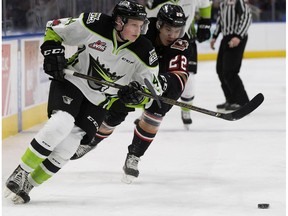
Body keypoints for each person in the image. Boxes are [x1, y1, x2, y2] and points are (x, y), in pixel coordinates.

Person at [4, 0, 161, 204]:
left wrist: (136, 96)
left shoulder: (144, 51)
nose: (138, 30)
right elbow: (54, 28)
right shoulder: (94, 23)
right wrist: (52, 50)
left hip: (100, 101)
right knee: (61, 123)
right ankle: (20, 171)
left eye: (141, 26)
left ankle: (29, 185)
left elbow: (153, 91)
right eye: (134, 24)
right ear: (119, 22)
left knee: (70, 145)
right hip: (73, 82)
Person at [71, 4, 192, 184]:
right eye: (168, 29)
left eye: (177, 30)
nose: (173, 35)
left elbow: (179, 77)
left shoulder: (181, 43)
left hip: (160, 85)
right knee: (114, 114)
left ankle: (134, 155)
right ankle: (92, 141)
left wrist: (163, 83)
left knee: (156, 112)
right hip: (132, 77)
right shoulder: (141, 29)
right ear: (158, 24)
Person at [145, 0, 212, 129]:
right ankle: (148, 108)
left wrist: (205, 22)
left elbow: (205, 3)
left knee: (188, 79)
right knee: (152, 77)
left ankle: (186, 110)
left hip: (184, 42)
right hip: (158, 42)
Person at [210, 0, 252, 111]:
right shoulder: (223, 3)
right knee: (220, 70)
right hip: (226, 38)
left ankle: (243, 102)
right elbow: (220, 21)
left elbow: (247, 18)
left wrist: (238, 36)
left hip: (237, 37)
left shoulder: (239, 2)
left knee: (230, 71)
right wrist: (214, 36)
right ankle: (231, 99)